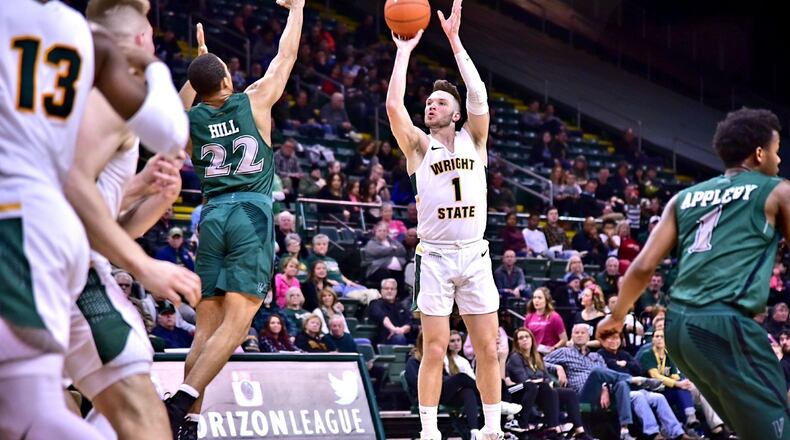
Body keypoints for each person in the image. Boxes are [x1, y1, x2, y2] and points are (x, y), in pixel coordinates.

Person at [0, 1, 201, 438]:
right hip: (43, 246)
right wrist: (143, 265)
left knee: (116, 403)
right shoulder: (91, 56)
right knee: (42, 413)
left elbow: (96, 209)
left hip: (53, 245)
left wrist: (146, 193)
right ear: (142, 39)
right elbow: (72, 184)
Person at [599, 108, 790, 440]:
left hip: (679, 329)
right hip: (727, 324)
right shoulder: (776, 190)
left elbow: (643, 266)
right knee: (778, 426)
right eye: (776, 150)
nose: (779, 159)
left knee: (749, 428)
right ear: (760, 153)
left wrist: (616, 316)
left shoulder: (683, 198)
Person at [165, 1, 305, 437]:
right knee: (238, 322)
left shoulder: (190, 121)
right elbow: (286, 56)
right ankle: (183, 400)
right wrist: (297, 9)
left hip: (211, 216)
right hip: (250, 211)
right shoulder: (255, 99)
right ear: (228, 79)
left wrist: (198, 69)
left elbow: (178, 105)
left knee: (204, 329)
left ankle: (188, 424)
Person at [386, 1, 503, 437]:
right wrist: (403, 51)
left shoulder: (475, 138)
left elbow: (479, 96)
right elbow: (395, 107)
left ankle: (492, 428)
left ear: (455, 113)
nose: (429, 106)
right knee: (433, 349)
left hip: (474, 254)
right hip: (434, 257)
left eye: (439, 102)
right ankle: (429, 431)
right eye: (429, 102)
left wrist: (455, 41)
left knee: (487, 347)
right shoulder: (419, 147)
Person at [545, 324, 663, 440]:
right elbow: (540, 362)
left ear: (588, 337)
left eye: (583, 333)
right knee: (596, 371)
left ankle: (624, 429)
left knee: (621, 384)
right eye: (576, 333)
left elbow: (607, 375)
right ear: (572, 336)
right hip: (582, 394)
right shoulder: (564, 352)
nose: (580, 335)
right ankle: (635, 379)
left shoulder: (596, 356)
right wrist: (557, 368)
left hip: (601, 392)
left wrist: (605, 388)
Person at [599, 331, 698, 440]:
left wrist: (627, 364)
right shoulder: (601, 355)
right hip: (619, 391)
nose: (614, 342)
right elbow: (609, 372)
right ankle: (653, 433)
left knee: (659, 398)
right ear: (603, 341)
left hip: (637, 388)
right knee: (639, 396)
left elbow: (639, 368)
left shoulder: (624, 354)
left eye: (616, 338)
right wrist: (621, 368)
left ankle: (678, 433)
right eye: (610, 339)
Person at [506, 328, 593, 439]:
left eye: (527, 337)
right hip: (524, 392)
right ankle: (553, 428)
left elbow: (547, 378)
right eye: (521, 338)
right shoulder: (515, 358)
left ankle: (580, 432)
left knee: (569, 393)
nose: (524, 340)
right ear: (517, 342)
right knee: (545, 387)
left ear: (532, 339)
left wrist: (544, 381)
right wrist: (542, 381)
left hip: (542, 389)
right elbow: (523, 380)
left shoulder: (537, 357)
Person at [639, 330, 727, 437]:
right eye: (657, 336)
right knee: (680, 387)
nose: (659, 339)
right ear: (652, 339)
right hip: (654, 390)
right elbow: (655, 375)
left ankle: (710, 425)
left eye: (662, 336)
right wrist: (677, 383)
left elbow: (675, 375)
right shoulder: (647, 355)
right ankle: (691, 420)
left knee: (694, 388)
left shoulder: (668, 355)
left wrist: (683, 382)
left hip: (668, 389)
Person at [367, 279, 417, 345]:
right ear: (381, 290)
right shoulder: (375, 304)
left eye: (392, 289)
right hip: (383, 339)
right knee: (399, 338)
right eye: (386, 288)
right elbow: (383, 317)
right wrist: (393, 329)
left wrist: (401, 330)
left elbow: (409, 323)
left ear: (396, 291)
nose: (389, 291)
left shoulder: (401, 306)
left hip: (402, 336)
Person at [364, 221, 407, 291]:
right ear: (375, 231)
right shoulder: (371, 243)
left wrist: (390, 251)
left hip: (396, 269)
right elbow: (378, 251)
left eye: (384, 231)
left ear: (387, 232)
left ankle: (400, 297)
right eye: (380, 230)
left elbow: (402, 251)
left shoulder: (392, 241)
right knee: (386, 274)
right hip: (376, 269)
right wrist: (392, 249)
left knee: (403, 273)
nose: (382, 232)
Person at [523, 287, 568, 354]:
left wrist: (553, 348)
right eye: (534, 297)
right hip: (533, 353)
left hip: (549, 354)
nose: (536, 300)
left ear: (546, 300)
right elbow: (525, 335)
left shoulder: (555, 317)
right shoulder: (529, 316)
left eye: (539, 298)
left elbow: (564, 340)